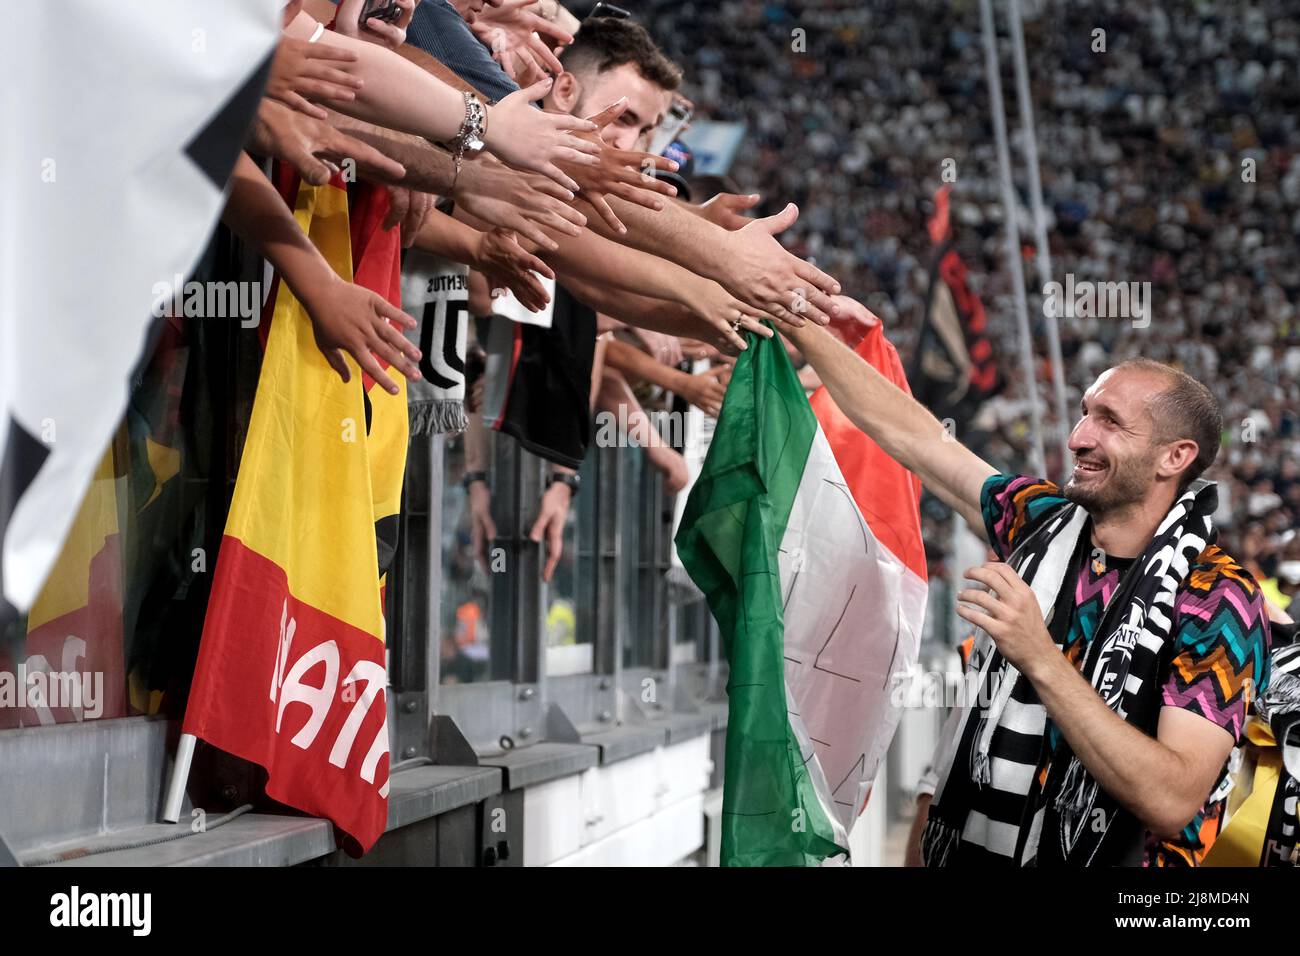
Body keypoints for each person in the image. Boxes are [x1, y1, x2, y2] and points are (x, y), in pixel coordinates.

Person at [792, 321, 1272, 866]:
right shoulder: (1040, 522)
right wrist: (804, 325)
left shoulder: (1219, 597)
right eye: (1086, 411)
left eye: (1109, 422)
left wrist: (1039, 655)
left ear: (1174, 457)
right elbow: (918, 439)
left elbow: (1171, 800)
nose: (1078, 437)